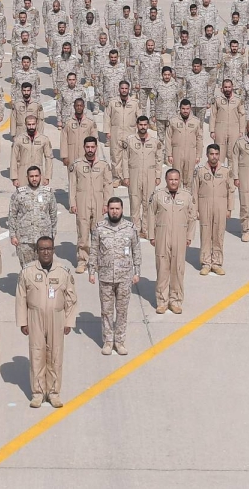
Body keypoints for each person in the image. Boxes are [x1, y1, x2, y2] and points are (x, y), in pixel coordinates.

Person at [17, 236, 77, 408]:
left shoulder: (63, 272)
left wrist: (69, 321)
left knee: (55, 355)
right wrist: (23, 321)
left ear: (53, 250)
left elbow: (71, 298)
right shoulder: (27, 272)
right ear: (37, 251)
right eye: (42, 249)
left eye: (49, 249)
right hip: (34, 317)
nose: (45, 252)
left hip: (57, 318)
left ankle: (53, 393)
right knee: (37, 354)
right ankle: (38, 393)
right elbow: (21, 297)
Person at [88, 197, 140, 355]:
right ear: (107, 210)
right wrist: (91, 271)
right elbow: (94, 250)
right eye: (112, 209)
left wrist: (137, 271)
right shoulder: (99, 228)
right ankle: (108, 341)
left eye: (117, 208)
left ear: (122, 210)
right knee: (106, 311)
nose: (115, 211)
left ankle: (120, 341)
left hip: (124, 277)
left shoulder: (130, 228)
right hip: (105, 276)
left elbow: (136, 250)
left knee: (122, 311)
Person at [147, 169, 196, 314]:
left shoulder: (187, 196)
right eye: (171, 179)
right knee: (162, 269)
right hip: (162, 236)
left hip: (180, 236)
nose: (173, 182)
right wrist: (151, 235)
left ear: (179, 180)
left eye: (176, 179)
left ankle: (175, 301)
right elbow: (151, 215)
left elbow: (192, 217)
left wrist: (189, 236)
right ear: (166, 180)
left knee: (178, 270)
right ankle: (162, 301)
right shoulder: (158, 195)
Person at [68, 136, 114, 273]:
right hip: (82, 202)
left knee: (98, 233)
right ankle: (82, 261)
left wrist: (107, 204)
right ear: (84, 148)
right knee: (83, 234)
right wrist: (72, 203)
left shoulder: (103, 165)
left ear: (96, 148)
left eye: (92, 147)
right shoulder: (77, 165)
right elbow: (72, 185)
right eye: (87, 147)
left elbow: (108, 185)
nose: (90, 150)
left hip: (98, 202)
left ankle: (96, 262)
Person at [192, 144, 234, 275]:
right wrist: (195, 209)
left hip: (221, 205)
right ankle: (206, 263)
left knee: (219, 234)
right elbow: (194, 191)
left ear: (219, 155)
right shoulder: (200, 170)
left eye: (216, 154)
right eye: (211, 154)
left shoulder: (226, 170)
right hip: (204, 205)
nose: (214, 157)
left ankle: (216, 263)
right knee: (205, 234)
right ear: (207, 155)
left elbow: (231, 190)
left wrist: (229, 208)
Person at [119, 116, 162, 238]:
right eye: (141, 125)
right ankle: (136, 230)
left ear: (148, 125)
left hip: (150, 175)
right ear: (137, 125)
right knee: (135, 203)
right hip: (134, 175)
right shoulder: (130, 141)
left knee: (148, 203)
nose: (143, 127)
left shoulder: (154, 141)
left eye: (145, 125)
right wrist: (126, 176)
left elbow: (159, 159)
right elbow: (125, 159)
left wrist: (158, 176)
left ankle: (146, 229)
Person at [7, 165, 58, 268]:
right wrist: (13, 235)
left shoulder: (48, 193)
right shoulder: (19, 194)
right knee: (27, 269)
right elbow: (12, 215)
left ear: (40, 176)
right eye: (31, 176)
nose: (34, 179)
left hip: (43, 239)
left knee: (44, 268)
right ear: (27, 177)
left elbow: (53, 214)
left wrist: (52, 234)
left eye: (36, 176)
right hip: (25, 240)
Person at [10, 114, 53, 188]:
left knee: (38, 194)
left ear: (37, 124)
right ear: (25, 124)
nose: (31, 127)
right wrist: (14, 178)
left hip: (38, 173)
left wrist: (47, 176)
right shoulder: (19, 139)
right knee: (22, 194)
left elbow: (48, 158)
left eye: (33, 124)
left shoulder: (44, 139)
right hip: (23, 173)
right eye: (29, 124)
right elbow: (13, 158)